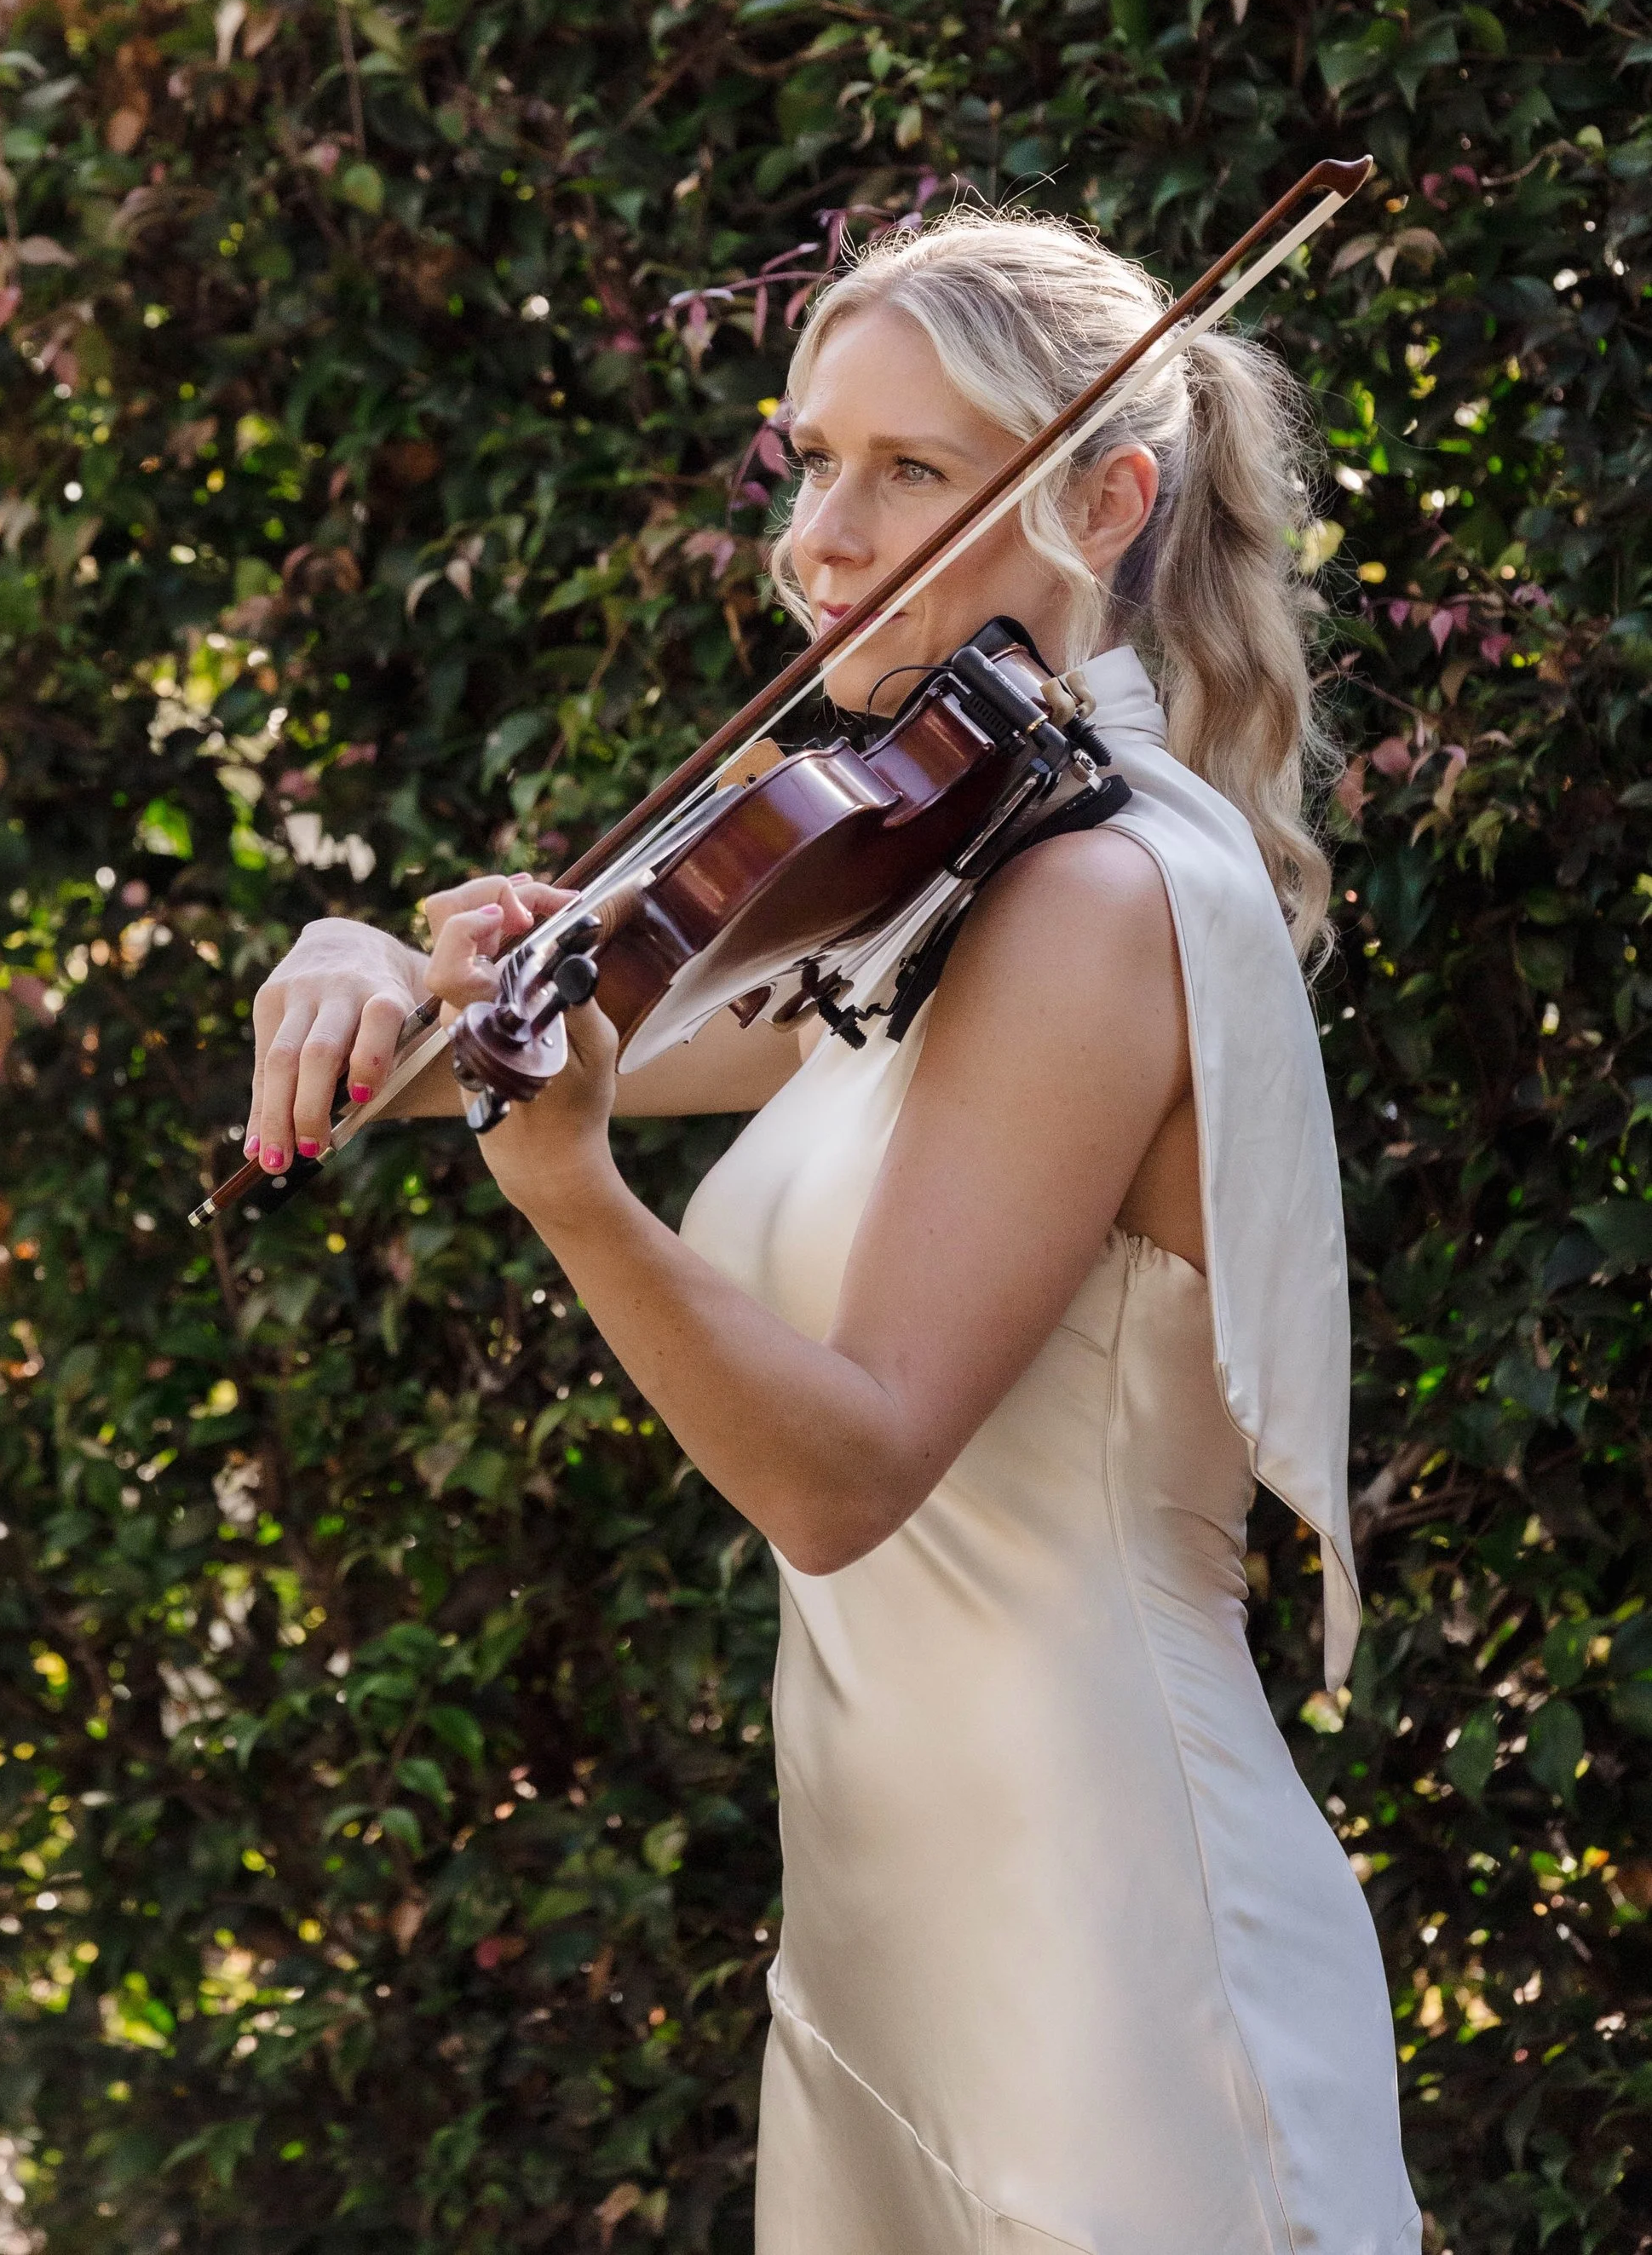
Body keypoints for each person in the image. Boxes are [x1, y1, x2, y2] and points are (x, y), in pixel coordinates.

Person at [243, 207, 1419, 2255]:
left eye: (910, 471)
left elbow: (851, 1465)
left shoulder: (1096, 895)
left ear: (1102, 498)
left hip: (1097, 1923)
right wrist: (362, 968)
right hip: (900, 1909)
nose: (822, 538)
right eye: (807, 463)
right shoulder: (925, 876)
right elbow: (485, 1054)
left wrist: (579, 1202)